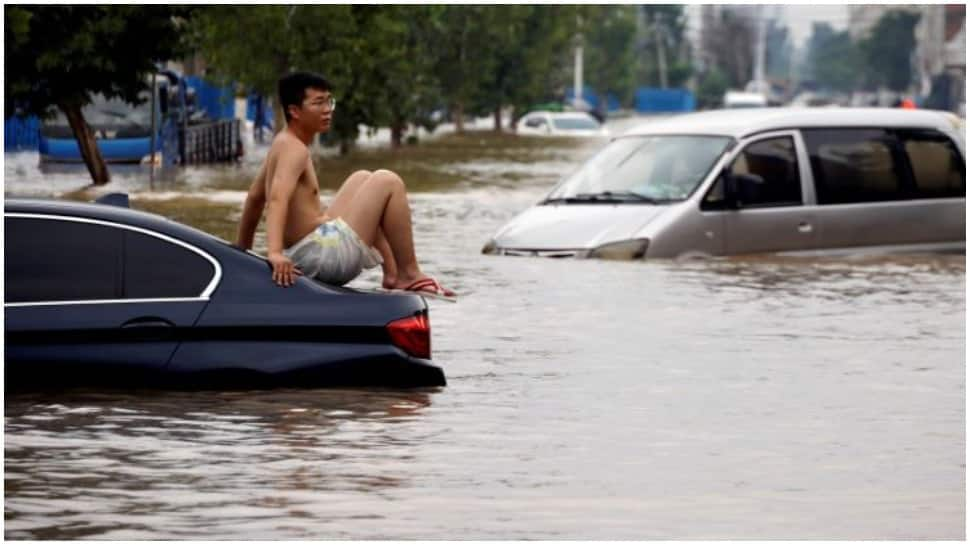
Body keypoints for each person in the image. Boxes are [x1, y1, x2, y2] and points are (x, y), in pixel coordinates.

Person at [235, 71, 456, 300]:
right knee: (387, 181)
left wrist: (240, 257)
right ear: (294, 111)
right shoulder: (294, 149)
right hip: (320, 256)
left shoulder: (282, 143)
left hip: (311, 249)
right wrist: (274, 253)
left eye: (329, 101)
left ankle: (392, 274)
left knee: (361, 179)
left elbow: (254, 198)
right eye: (318, 103)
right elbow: (276, 199)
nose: (328, 109)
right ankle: (409, 273)